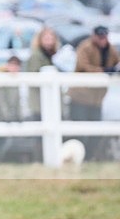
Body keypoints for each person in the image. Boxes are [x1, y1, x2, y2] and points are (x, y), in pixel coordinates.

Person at [67, 25, 120, 160]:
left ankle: (88, 158)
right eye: (100, 37)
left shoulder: (110, 49)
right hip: (80, 97)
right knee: (80, 132)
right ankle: (77, 158)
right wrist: (104, 71)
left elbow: (116, 61)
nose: (103, 40)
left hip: (97, 99)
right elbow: (83, 66)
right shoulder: (85, 47)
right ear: (94, 36)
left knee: (96, 131)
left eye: (104, 37)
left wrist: (114, 70)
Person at [25, 26, 60, 121]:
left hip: (49, 102)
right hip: (39, 102)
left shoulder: (52, 56)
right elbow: (33, 78)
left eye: (51, 39)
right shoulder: (36, 56)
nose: (49, 42)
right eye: (46, 39)